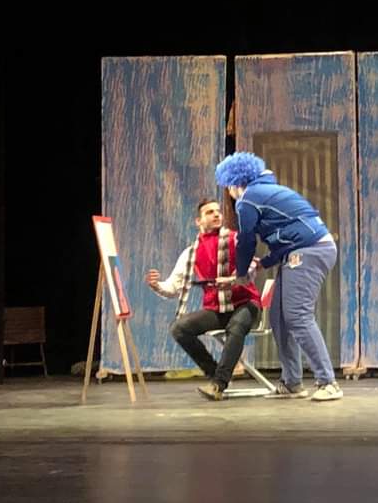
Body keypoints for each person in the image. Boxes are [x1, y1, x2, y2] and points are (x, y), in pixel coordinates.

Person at [215, 151, 343, 402]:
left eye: (228, 187)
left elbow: (246, 241)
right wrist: (263, 263)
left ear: (234, 183)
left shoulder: (248, 199)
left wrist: (241, 274)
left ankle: (328, 382)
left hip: (310, 251)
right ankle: (292, 382)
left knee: (297, 315)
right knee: (280, 318)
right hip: (303, 249)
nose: (228, 192)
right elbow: (288, 237)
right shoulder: (267, 192)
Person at [145, 199, 261, 401]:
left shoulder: (235, 239)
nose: (216, 214)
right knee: (179, 328)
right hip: (218, 310)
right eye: (209, 212)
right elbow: (173, 287)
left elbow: (251, 265)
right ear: (198, 221)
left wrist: (233, 280)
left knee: (236, 325)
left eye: (218, 211)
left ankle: (218, 384)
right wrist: (157, 285)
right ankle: (215, 373)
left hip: (246, 305)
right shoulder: (191, 253)